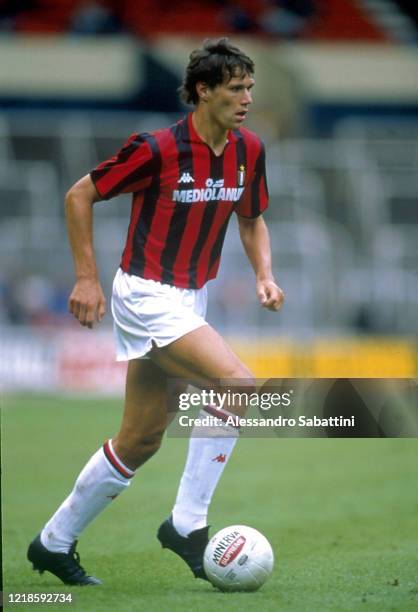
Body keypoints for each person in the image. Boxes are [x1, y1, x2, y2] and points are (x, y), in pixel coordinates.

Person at [27, 37, 284, 586]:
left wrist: (264, 274)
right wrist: (86, 278)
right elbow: (79, 195)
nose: (246, 98)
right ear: (202, 90)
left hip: (190, 298)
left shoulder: (250, 149)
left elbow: (251, 217)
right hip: (146, 294)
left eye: (250, 88)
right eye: (236, 89)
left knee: (140, 440)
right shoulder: (157, 149)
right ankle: (188, 525)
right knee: (237, 386)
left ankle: (52, 542)